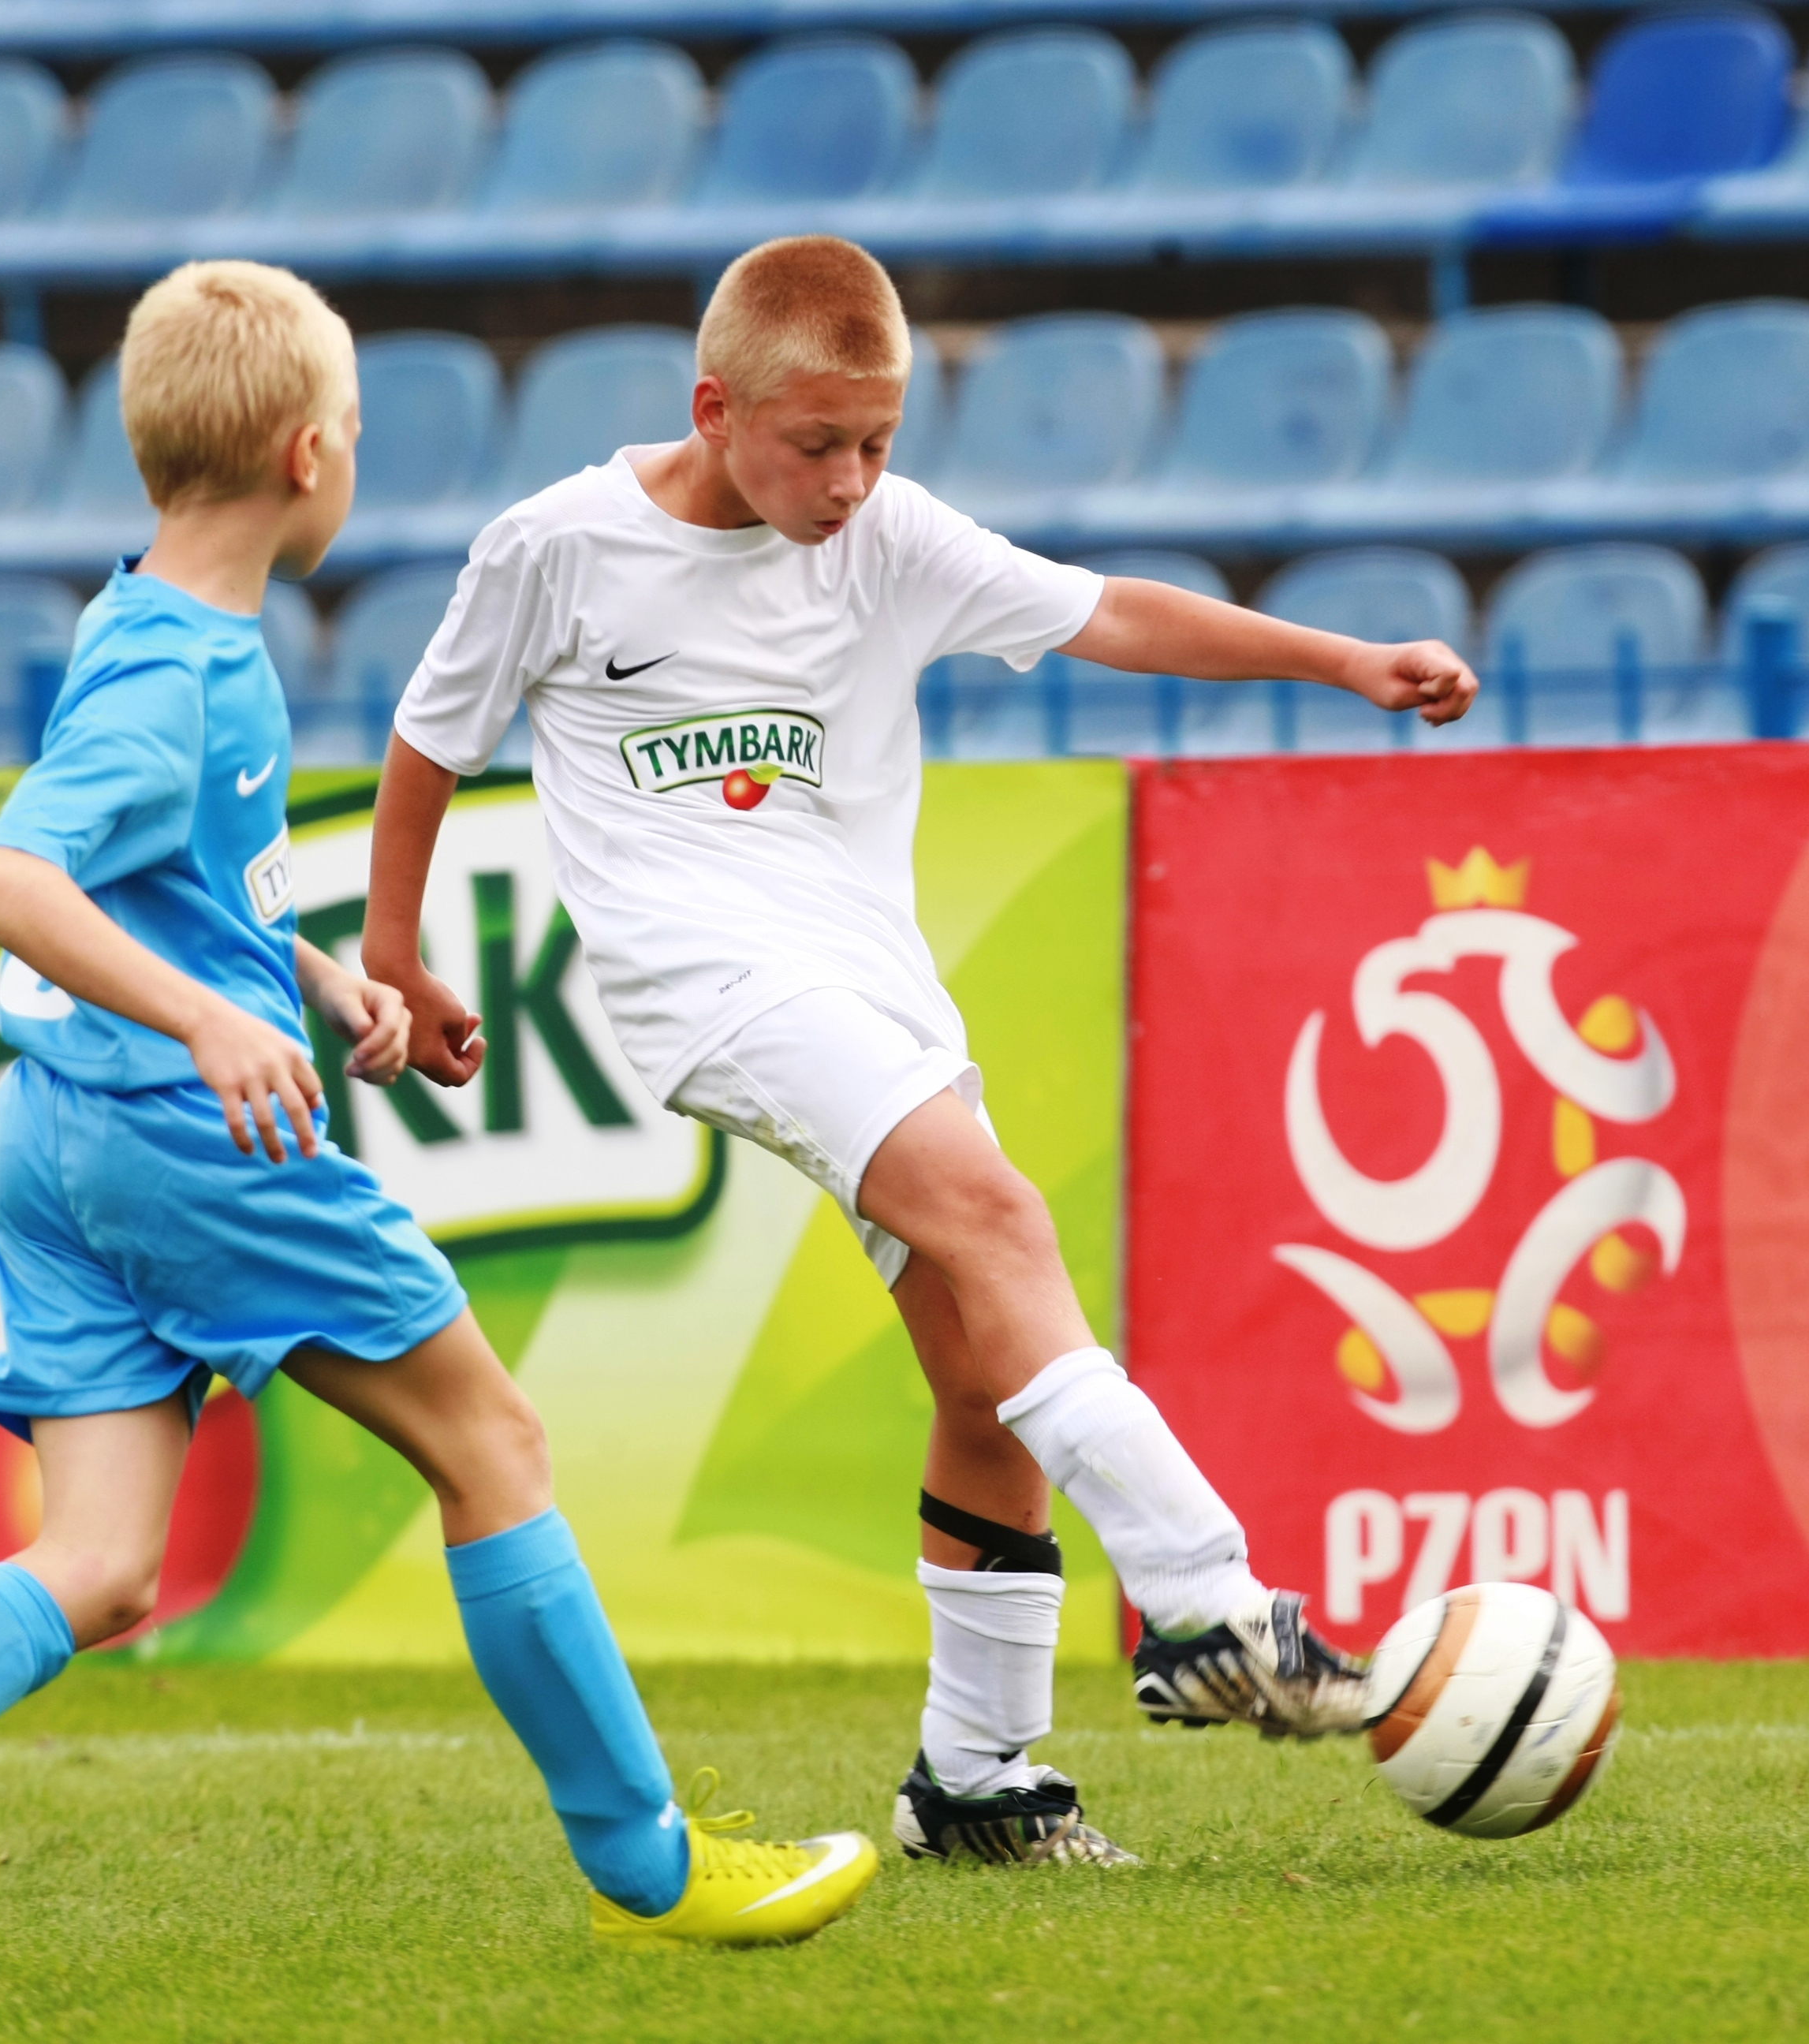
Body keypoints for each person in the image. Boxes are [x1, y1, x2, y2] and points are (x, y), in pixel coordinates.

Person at [0, 261, 878, 1997]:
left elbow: (159, 883)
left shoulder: (142, 618)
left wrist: (307, 978)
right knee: (495, 1446)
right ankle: (651, 1865)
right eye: (360, 433)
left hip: (62, 1143)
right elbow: (11, 882)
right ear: (312, 455)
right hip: (185, 1147)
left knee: (100, 1566)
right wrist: (217, 1023)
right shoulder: (180, 673)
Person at [364, 235, 1478, 1867]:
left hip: (872, 989)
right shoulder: (556, 545)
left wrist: (1346, 661)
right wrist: (394, 952)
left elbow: (1113, 614)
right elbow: (428, 740)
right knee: (1000, 1219)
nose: (849, 480)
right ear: (716, 408)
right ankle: (1207, 1599)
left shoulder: (887, 537)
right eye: (817, 444)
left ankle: (976, 1783)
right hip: (707, 984)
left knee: (980, 1372)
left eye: (878, 443)